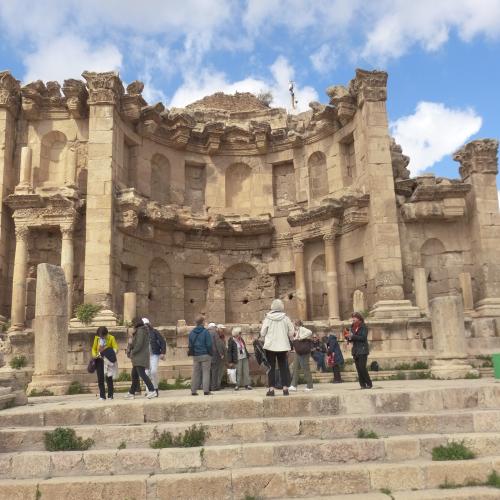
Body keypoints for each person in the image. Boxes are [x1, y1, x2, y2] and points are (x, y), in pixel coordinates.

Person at [260, 298, 294, 396]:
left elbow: (262, 333)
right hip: (283, 346)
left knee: (271, 367)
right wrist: (285, 335)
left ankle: (271, 389)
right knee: (283, 367)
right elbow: (291, 332)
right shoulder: (286, 318)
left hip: (270, 346)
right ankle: (285, 388)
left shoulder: (267, 318)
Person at [125, 318, 157, 399]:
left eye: (133, 323)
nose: (132, 325)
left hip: (140, 356)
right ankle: (131, 392)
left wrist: (132, 352)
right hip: (138, 357)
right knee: (134, 375)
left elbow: (139, 344)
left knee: (142, 374)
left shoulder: (141, 331)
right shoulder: (139, 331)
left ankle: (152, 390)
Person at [91, 326, 118, 400]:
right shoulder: (97, 338)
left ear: (106, 334)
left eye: (102, 336)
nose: (101, 337)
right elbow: (93, 348)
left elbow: (116, 348)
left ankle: (110, 395)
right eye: (99, 336)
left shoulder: (111, 338)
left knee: (109, 378)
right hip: (99, 359)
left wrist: (108, 351)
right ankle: (102, 396)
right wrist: (94, 355)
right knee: (100, 378)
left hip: (107, 361)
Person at [347, 312, 372, 389]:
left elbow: (363, 337)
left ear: (359, 318)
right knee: (358, 369)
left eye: (354, 317)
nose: (353, 319)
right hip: (355, 350)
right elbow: (352, 339)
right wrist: (348, 337)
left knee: (362, 367)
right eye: (352, 317)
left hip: (362, 350)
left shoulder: (363, 326)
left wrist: (353, 336)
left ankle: (369, 383)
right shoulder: (352, 327)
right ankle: (362, 384)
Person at [188, 315, 212, 395]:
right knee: (206, 373)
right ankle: (206, 390)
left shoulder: (192, 332)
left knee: (195, 373)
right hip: (205, 354)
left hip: (196, 355)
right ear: (202, 322)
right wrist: (210, 353)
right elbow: (209, 344)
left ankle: (193, 391)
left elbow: (190, 345)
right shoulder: (205, 332)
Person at [142, 317, 166, 397]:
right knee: (146, 373)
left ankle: (155, 388)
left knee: (153, 371)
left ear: (148, 325)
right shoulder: (140, 334)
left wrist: (162, 353)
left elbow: (162, 342)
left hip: (154, 354)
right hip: (145, 356)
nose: (145, 327)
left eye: (146, 325)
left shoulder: (154, 332)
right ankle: (149, 390)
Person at [289, 320, 313, 392]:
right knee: (295, 368)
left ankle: (310, 386)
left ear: (296, 324)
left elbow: (310, 332)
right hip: (298, 352)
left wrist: (300, 337)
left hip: (303, 352)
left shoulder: (302, 329)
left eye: (293, 324)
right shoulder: (297, 331)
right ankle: (293, 385)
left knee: (305, 368)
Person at [210, 324, 227, 391]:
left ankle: (217, 384)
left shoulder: (220, 336)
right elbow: (218, 345)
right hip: (217, 356)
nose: (223, 331)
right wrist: (221, 354)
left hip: (217, 356)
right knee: (215, 372)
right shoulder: (216, 335)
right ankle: (214, 386)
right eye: (222, 329)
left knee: (218, 372)